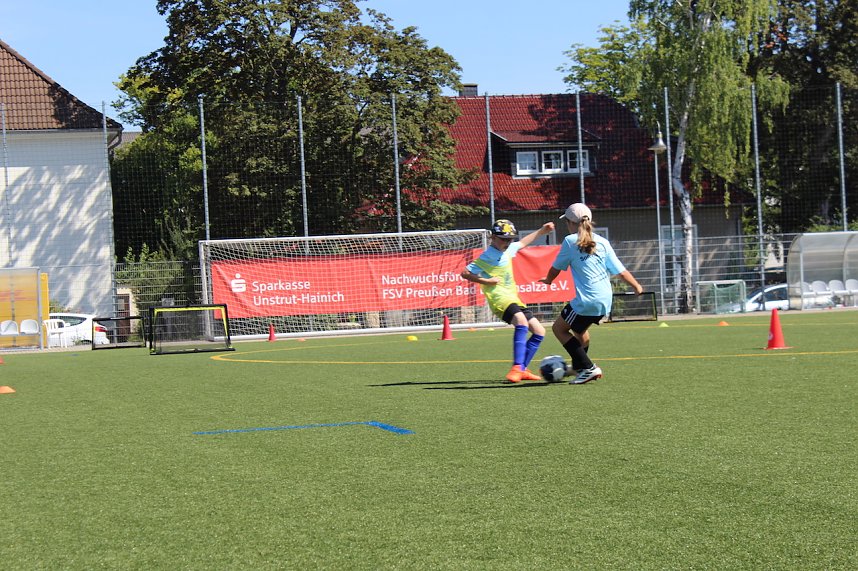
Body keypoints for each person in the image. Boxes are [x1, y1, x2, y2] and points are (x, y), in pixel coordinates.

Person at [539, 203, 643, 384]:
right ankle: (580, 367)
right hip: (604, 302)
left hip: (585, 301)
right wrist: (636, 287)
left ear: (571, 223)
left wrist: (548, 280)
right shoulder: (602, 242)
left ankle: (588, 368)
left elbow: (556, 268)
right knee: (581, 331)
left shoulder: (570, 241)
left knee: (559, 329)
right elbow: (621, 272)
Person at [461, 219, 555, 383]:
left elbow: (523, 242)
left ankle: (523, 369)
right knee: (521, 322)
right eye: (503, 239)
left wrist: (541, 230)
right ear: (493, 237)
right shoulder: (487, 255)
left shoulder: (508, 249)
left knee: (540, 331)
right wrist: (487, 281)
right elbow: (465, 272)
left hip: (513, 297)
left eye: (509, 239)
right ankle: (517, 367)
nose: (507, 242)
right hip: (499, 298)